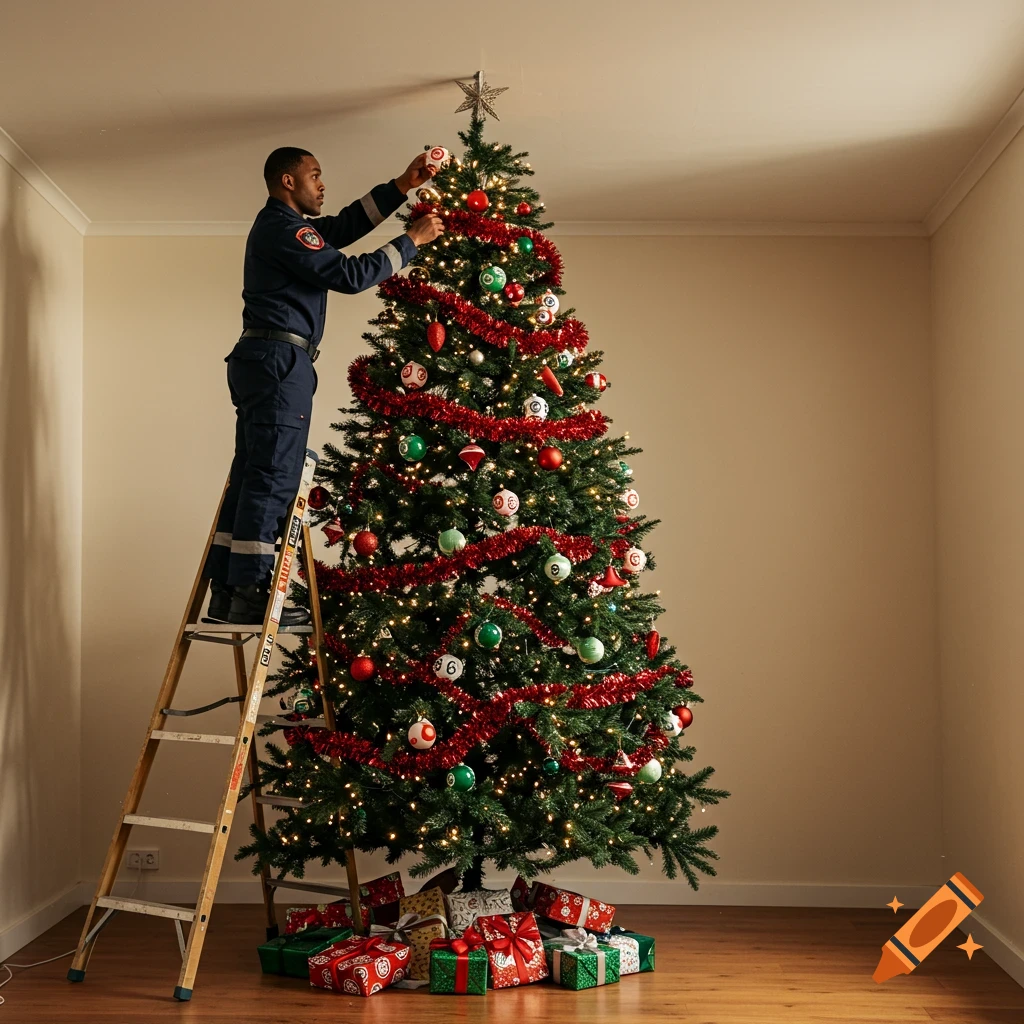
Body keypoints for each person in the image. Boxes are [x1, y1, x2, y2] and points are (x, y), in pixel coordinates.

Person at [202, 146, 444, 625]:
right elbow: (348, 274)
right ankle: (251, 592)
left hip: (265, 358)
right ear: (288, 182)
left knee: (253, 472)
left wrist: (401, 185)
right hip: (279, 361)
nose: (322, 184)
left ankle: (229, 591)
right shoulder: (284, 228)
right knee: (274, 472)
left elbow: (341, 228)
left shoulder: (289, 230)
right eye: (315, 175)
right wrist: (410, 241)